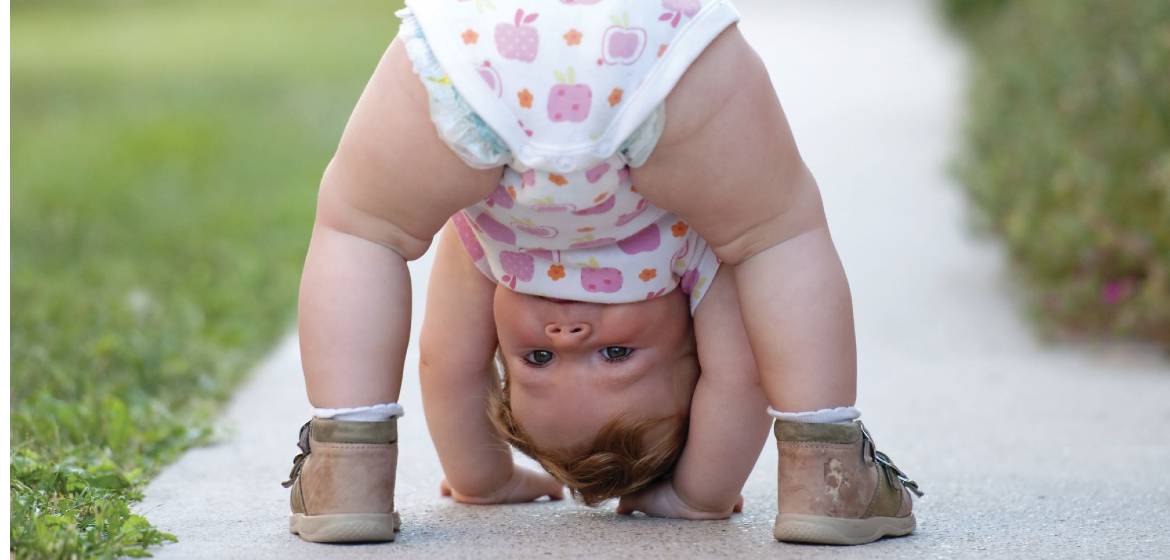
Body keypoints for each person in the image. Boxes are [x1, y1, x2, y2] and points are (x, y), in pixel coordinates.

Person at [283, 0, 922, 546]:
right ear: (691, 341)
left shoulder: (489, 255)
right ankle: (827, 469)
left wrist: (485, 478)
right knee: (775, 233)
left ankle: (350, 464)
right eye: (617, 354)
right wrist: (699, 494)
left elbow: (449, 365)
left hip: (496, 53)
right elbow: (745, 372)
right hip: (628, 52)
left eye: (533, 359)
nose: (565, 337)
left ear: (497, 344)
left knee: (361, 227)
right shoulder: (692, 262)